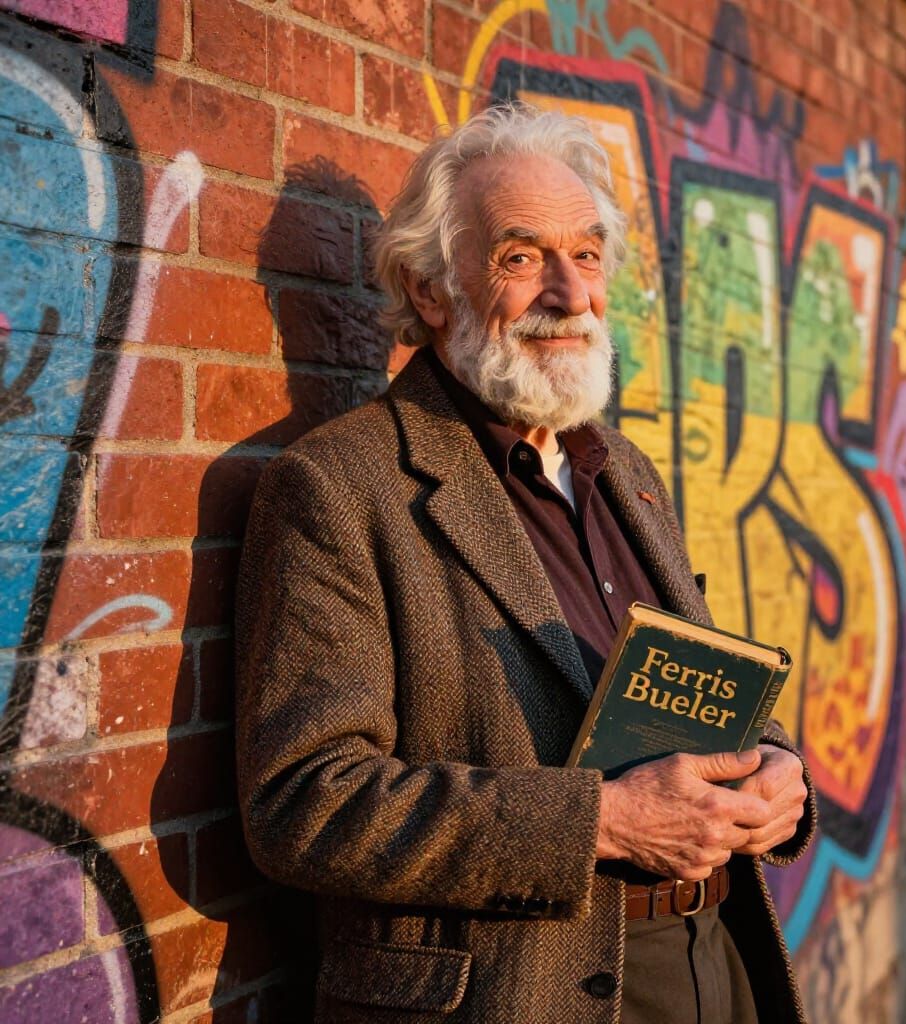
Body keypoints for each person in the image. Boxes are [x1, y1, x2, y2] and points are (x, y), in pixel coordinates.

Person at [235, 103, 816, 1024]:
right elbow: (305, 802)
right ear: (433, 290)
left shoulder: (624, 468)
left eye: (586, 254)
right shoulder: (340, 484)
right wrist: (604, 823)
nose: (571, 291)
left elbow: (680, 684)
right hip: (515, 992)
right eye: (521, 256)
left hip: (716, 958)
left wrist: (773, 768)